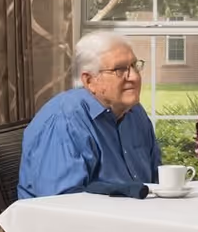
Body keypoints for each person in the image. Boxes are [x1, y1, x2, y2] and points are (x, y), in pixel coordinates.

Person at [18, 33, 160, 198]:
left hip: (137, 216)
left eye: (135, 66)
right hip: (85, 221)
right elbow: (63, 203)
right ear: (90, 81)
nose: (135, 77)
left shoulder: (136, 113)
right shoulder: (65, 121)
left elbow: (156, 181)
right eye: (120, 70)